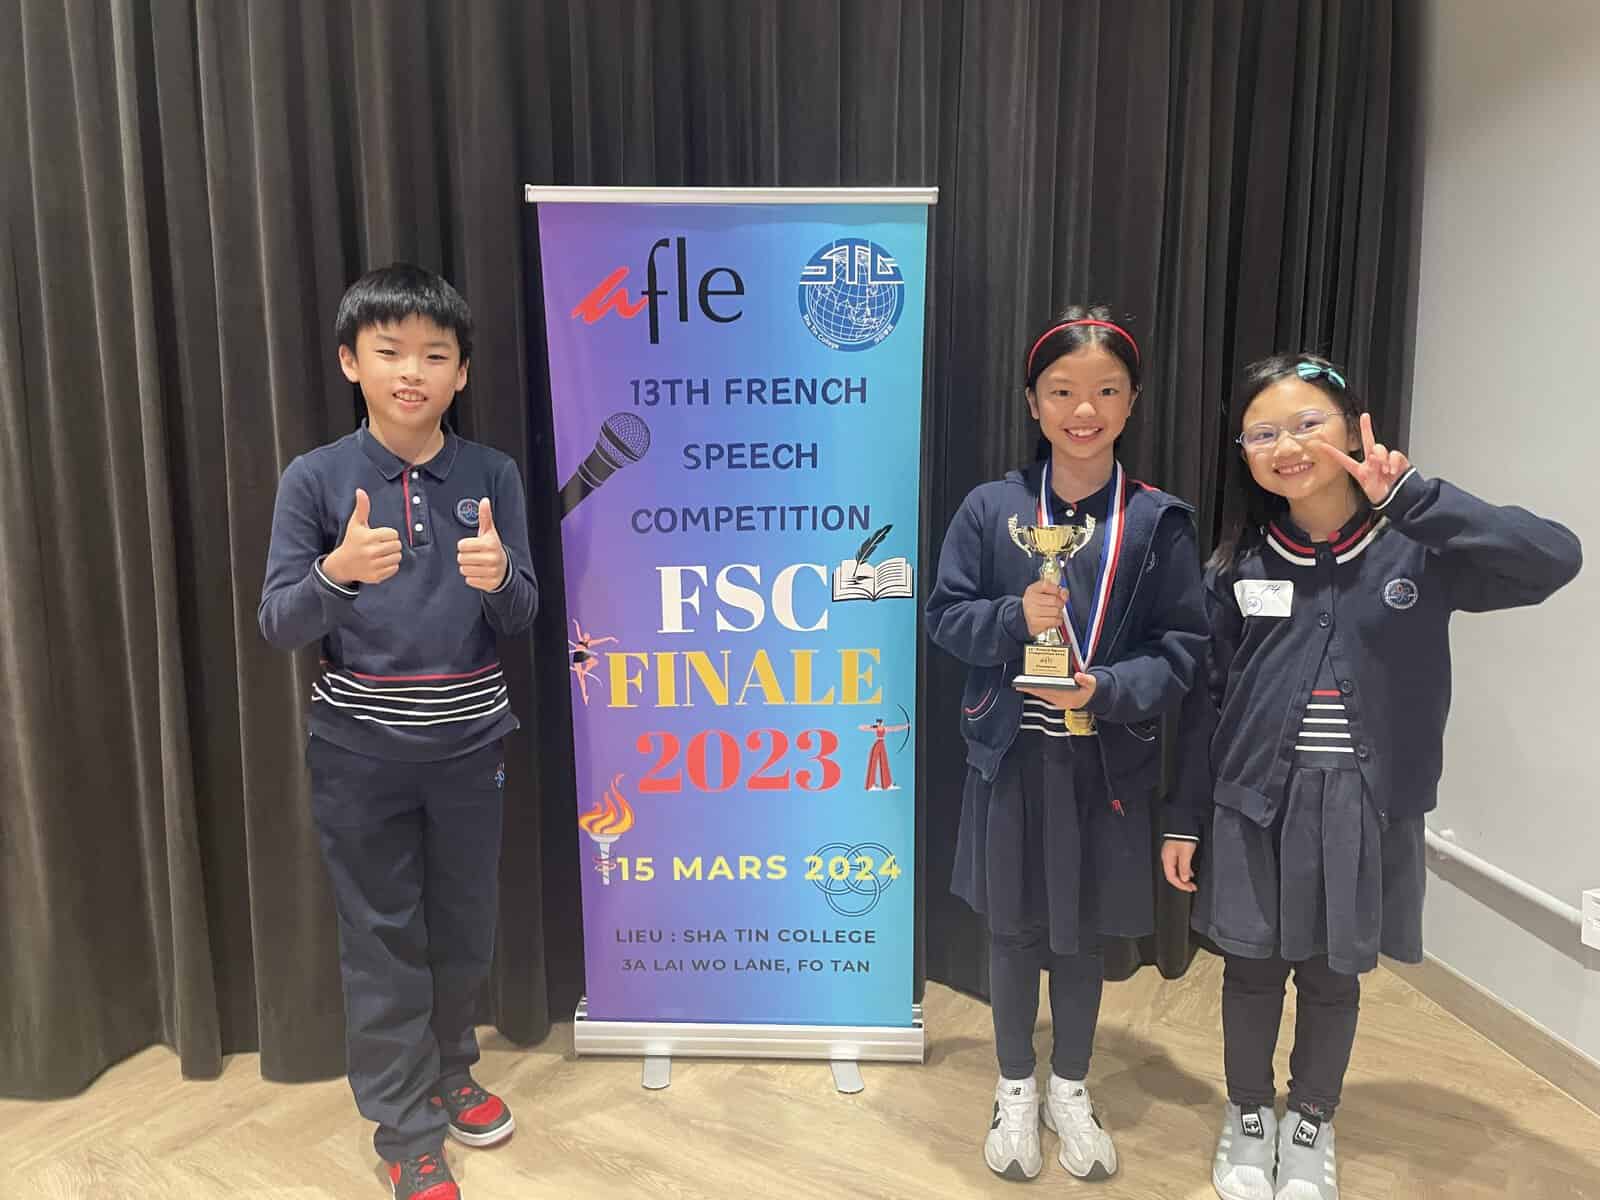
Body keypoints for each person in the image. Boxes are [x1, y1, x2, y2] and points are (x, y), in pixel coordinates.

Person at [1164, 354, 1581, 1200]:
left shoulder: (1418, 549)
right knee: (1250, 971)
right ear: (1243, 454)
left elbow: (1553, 558)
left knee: (1331, 977)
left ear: (1354, 430)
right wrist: (1183, 816)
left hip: (1359, 808)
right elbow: (1205, 702)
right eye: (1262, 433)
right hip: (1251, 806)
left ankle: (1311, 1120)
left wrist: (1416, 497)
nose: (1287, 446)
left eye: (1306, 423)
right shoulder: (1239, 565)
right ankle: (1249, 1114)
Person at [259, 263, 539, 1200]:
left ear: (462, 373)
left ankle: (451, 1070)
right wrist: (336, 572)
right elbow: (278, 622)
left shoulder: (492, 474)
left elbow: (523, 614)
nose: (412, 371)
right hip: (358, 757)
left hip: (470, 751)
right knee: (380, 941)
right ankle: (405, 1131)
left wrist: (500, 578)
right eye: (390, 351)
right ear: (351, 362)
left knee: (464, 928)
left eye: (435, 354)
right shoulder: (316, 478)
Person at [926, 305, 1209, 1182]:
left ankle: (1070, 1087)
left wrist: (1105, 688)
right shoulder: (992, 509)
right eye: (1062, 392)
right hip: (1010, 760)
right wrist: (1014, 617)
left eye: (1106, 392)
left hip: (1103, 764)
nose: (1083, 410)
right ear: (1033, 402)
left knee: (1081, 936)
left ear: (1131, 403)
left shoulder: (1158, 521)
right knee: (1012, 932)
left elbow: (1183, 651)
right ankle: (1015, 1085)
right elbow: (944, 617)